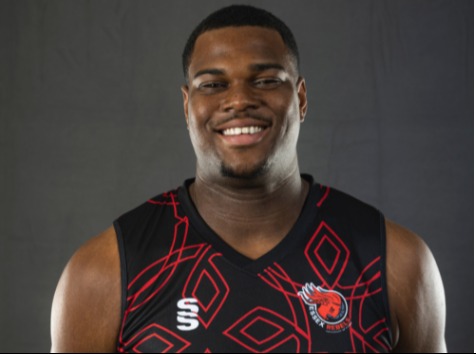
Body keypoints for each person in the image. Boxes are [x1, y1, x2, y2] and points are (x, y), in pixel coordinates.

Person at [50, 5, 447, 353]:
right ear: (187, 106)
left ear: (301, 99)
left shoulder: (394, 260)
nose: (239, 99)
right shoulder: (105, 272)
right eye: (213, 85)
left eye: (266, 80)